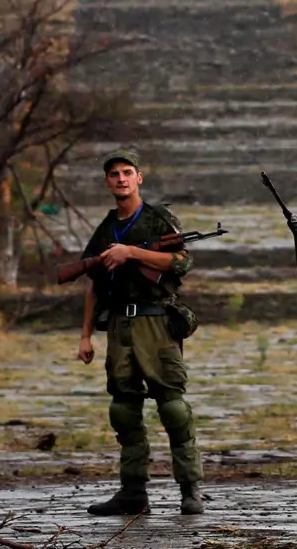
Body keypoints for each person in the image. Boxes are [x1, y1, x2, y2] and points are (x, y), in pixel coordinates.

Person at [77, 148, 204, 516]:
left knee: (174, 407)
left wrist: (132, 253)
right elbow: (94, 284)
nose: (121, 178)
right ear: (107, 181)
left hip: (157, 322)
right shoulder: (105, 228)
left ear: (139, 177)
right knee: (123, 409)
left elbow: (182, 261)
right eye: (114, 173)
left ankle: (190, 489)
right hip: (119, 326)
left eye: (127, 172)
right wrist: (86, 335)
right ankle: (133, 492)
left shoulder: (157, 219)